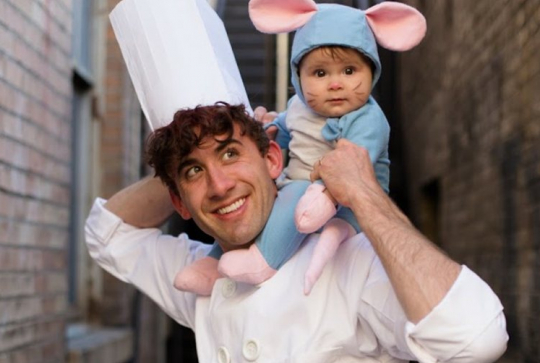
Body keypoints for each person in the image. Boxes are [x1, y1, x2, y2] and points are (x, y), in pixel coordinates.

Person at [85, 102, 507, 362]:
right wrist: (177, 152)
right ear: (179, 203)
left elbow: (476, 338)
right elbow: (107, 235)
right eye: (195, 172)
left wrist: (363, 193)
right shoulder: (205, 278)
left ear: (273, 159)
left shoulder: (350, 261)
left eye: (230, 153)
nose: (219, 185)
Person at [176, 1, 428, 296]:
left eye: (349, 71)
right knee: (256, 200)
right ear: (298, 78)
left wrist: (322, 192)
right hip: (298, 186)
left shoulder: (367, 119)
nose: (335, 84)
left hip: (343, 201)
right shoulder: (298, 107)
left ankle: (264, 262)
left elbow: (355, 164)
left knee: (293, 195)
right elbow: (282, 136)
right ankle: (213, 265)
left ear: (372, 73)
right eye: (320, 74)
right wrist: (265, 131)